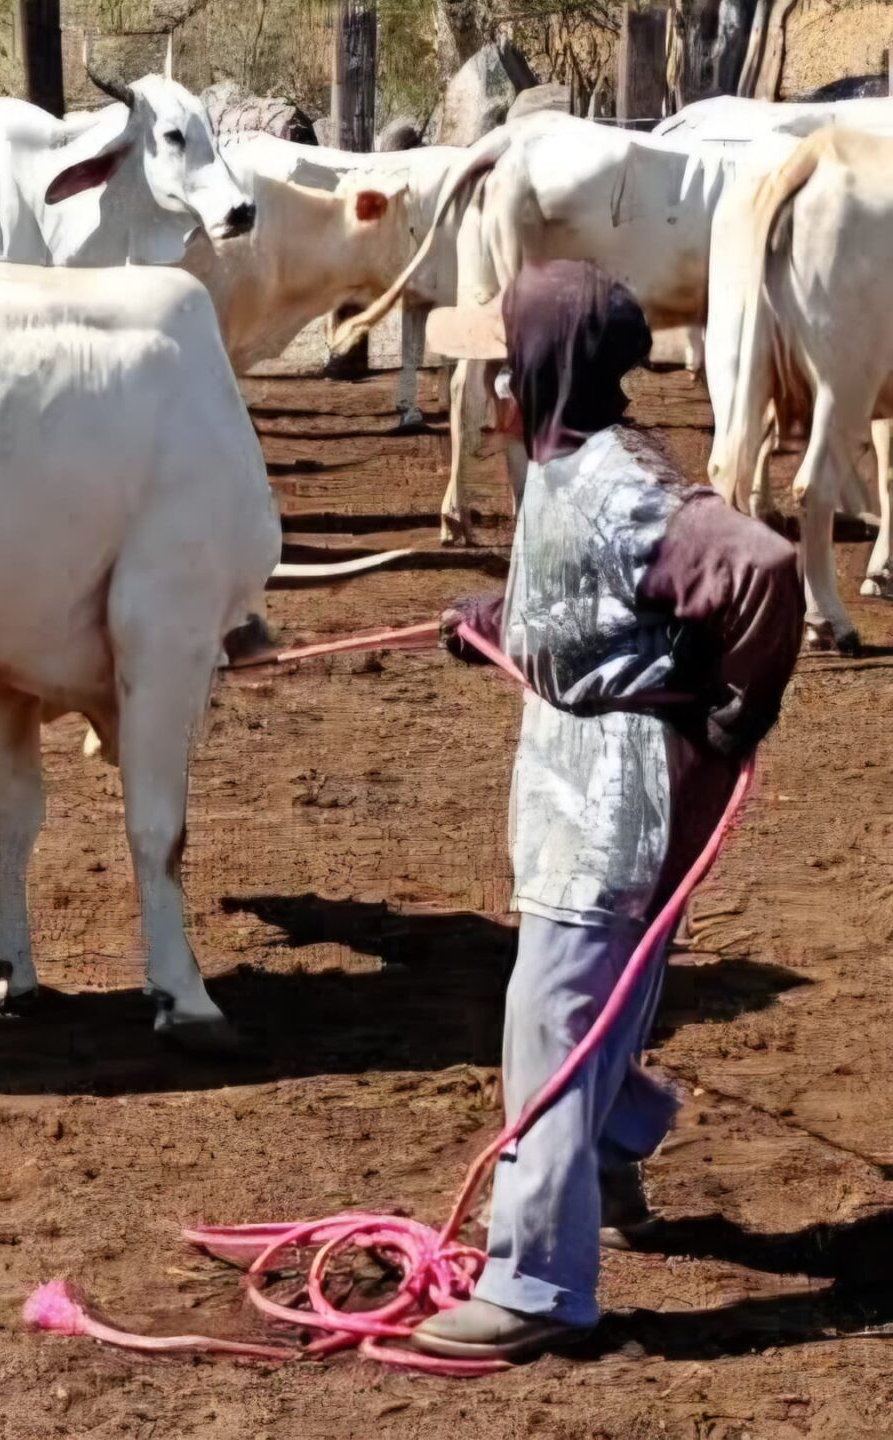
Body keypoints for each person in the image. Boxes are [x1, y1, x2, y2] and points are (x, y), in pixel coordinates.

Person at [403, 260, 801, 1362]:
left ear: (540, 372)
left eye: (499, 363)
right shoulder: (574, 464)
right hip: (603, 785)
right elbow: (598, 604)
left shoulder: (619, 490)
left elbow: (762, 569)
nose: (486, 384)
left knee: (551, 1022)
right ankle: (612, 1154)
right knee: (598, 1001)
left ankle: (533, 1285)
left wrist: (732, 719)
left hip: (616, 796)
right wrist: (497, 618)